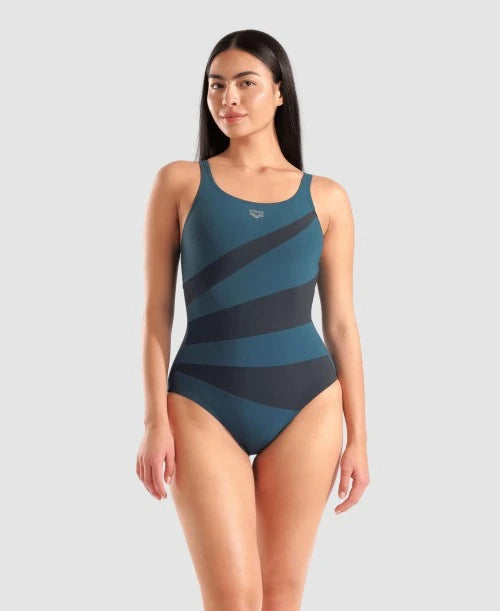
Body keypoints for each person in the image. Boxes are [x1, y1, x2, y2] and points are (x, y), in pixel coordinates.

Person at [137, 29, 370, 611]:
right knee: (232, 601)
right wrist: (154, 421)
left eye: (246, 83)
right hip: (202, 401)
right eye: (216, 85)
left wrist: (360, 440)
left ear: (280, 91)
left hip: (308, 403)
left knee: (282, 597)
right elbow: (155, 315)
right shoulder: (180, 182)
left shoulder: (328, 197)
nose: (229, 99)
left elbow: (342, 324)